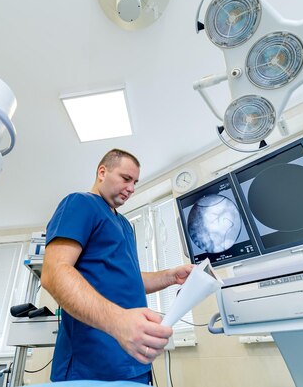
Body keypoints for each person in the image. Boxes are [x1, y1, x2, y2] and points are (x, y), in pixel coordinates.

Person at [41, 148, 194, 383]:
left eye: (135, 182)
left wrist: (171, 276)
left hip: (133, 358)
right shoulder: (80, 203)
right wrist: (119, 322)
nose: (132, 188)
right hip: (92, 361)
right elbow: (54, 272)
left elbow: (129, 279)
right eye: (125, 178)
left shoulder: (124, 224)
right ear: (102, 172)